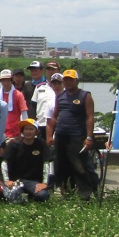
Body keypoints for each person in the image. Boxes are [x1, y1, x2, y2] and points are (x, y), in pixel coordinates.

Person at [47, 69, 98, 199]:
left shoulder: (85, 95)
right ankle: (65, 191)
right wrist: (49, 135)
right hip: (61, 135)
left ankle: (85, 194)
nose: (68, 82)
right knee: (61, 164)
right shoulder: (60, 96)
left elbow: (90, 117)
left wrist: (89, 137)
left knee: (80, 166)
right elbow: (54, 116)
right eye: (66, 80)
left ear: (77, 81)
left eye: (71, 80)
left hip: (77, 136)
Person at [1, 119, 51, 201]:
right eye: (26, 129)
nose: (28, 131)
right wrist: (6, 181)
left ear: (36, 131)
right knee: (8, 197)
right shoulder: (13, 144)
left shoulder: (41, 144)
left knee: (43, 195)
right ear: (22, 131)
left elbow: (46, 163)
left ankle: (29, 195)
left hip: (33, 181)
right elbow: (4, 162)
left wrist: (44, 183)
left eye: (31, 129)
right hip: (15, 181)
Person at [0, 69, 28, 139]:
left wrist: (25, 130)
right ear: (0, 81)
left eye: (8, 80)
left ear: (12, 81)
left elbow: (24, 113)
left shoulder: (18, 94)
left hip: (15, 133)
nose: (6, 83)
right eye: (3, 80)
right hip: (0, 133)